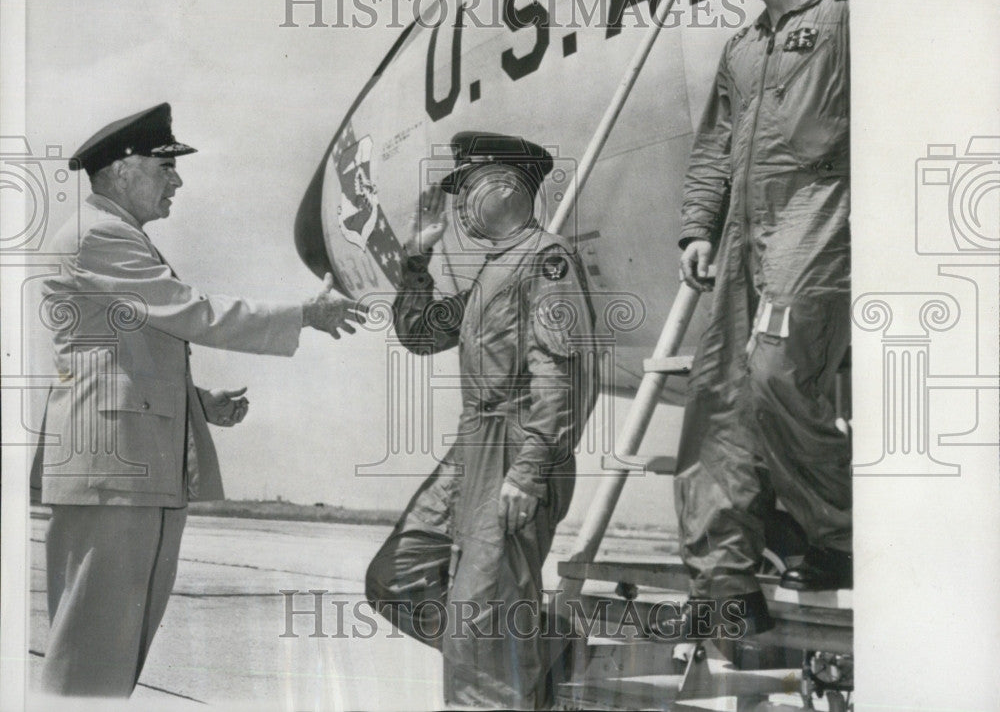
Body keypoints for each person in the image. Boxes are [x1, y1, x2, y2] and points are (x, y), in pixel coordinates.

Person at [31, 102, 364, 697]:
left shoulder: (111, 234)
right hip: (117, 472)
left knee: (104, 655)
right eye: (166, 168)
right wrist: (304, 314)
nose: (177, 181)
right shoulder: (101, 235)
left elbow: (119, 351)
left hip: (127, 467)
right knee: (88, 661)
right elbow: (192, 312)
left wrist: (196, 400)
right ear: (124, 169)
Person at [365, 131, 598, 710]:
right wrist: (417, 256)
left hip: (515, 451)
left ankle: (506, 672)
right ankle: (538, 650)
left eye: (467, 188)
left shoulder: (546, 260)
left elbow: (560, 368)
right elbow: (421, 334)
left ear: (506, 189)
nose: (459, 204)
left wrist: (532, 468)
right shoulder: (491, 274)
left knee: (479, 629)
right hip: (475, 448)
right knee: (397, 579)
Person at [673, 0, 852, 634]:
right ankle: (724, 579)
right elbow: (716, 146)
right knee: (718, 391)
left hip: (817, 214)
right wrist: (697, 229)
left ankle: (841, 532)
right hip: (745, 231)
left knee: (777, 368)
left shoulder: (845, 19)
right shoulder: (743, 47)